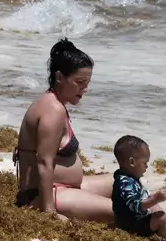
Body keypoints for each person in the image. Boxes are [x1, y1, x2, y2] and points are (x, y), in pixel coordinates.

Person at [14, 40, 113, 221]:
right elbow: (44, 162)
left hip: (62, 188)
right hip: (45, 196)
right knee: (131, 211)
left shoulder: (54, 103)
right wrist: (49, 212)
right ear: (60, 77)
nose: (84, 89)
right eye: (80, 82)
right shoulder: (53, 109)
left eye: (87, 83)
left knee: (124, 184)